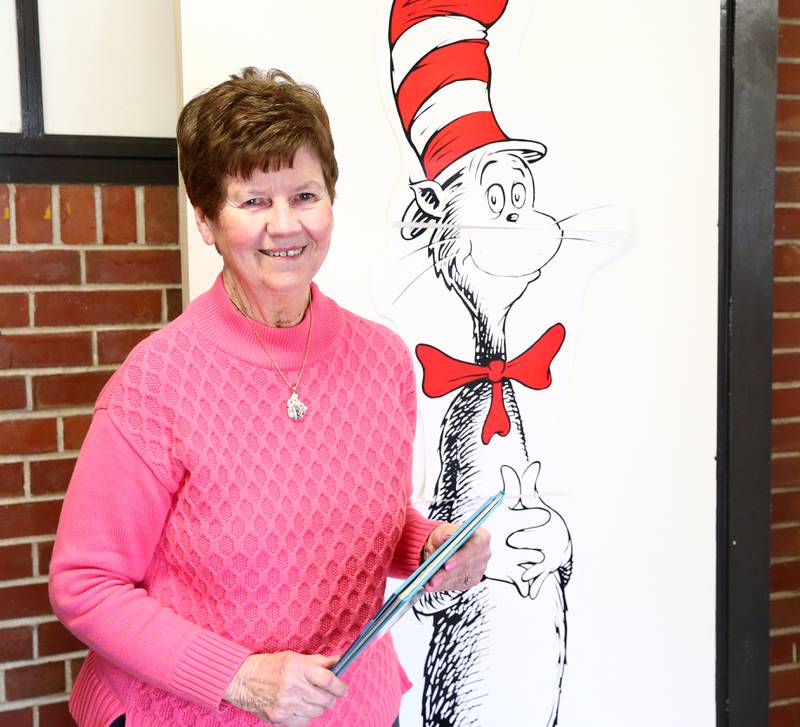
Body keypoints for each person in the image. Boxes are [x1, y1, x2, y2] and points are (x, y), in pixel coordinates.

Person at [48, 67, 492, 727]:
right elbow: (84, 583)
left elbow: (369, 517)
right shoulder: (157, 381)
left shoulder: (383, 359)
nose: (285, 225)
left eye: (305, 194)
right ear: (204, 218)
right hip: (183, 713)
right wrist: (241, 678)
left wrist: (430, 546)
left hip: (355, 709)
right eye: (253, 201)